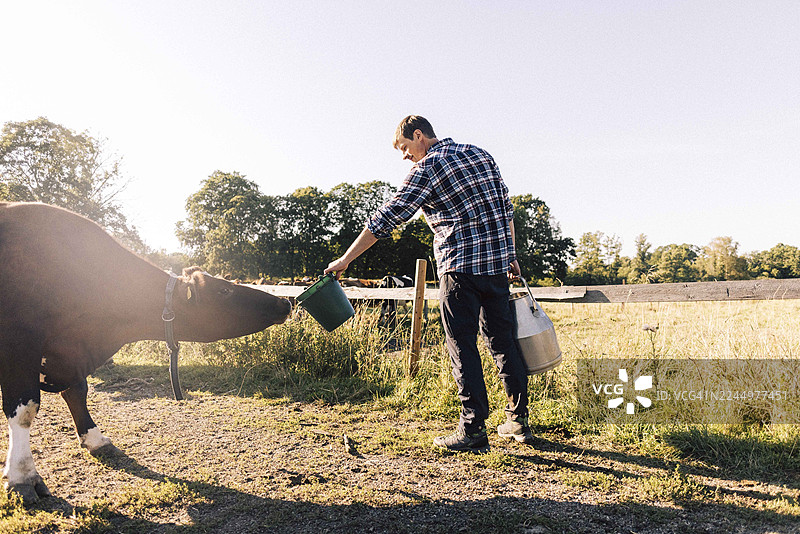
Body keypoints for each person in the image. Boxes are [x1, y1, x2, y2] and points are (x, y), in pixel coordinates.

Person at [324, 115, 533, 452]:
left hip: (460, 269)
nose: (405, 156)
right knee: (503, 343)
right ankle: (518, 420)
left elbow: (388, 217)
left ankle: (473, 429)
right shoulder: (481, 154)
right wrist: (510, 254)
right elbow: (505, 209)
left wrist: (345, 260)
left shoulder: (428, 168)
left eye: (405, 148)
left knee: (461, 345)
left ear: (418, 136)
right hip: (495, 268)